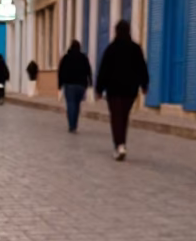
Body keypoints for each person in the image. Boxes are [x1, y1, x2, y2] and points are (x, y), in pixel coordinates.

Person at [95, 20, 149, 161]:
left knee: (116, 117)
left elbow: (103, 70)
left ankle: (119, 145)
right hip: (130, 90)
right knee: (124, 117)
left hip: (114, 90)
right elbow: (142, 67)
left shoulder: (111, 49)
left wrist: (99, 89)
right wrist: (144, 85)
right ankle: (121, 143)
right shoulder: (135, 49)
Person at [58, 40, 92, 132]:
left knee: (70, 104)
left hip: (69, 85)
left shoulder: (66, 58)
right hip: (81, 85)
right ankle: (75, 124)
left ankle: (71, 125)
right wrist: (90, 83)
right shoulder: (83, 57)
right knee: (77, 104)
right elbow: (88, 71)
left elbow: (61, 72)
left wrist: (60, 84)